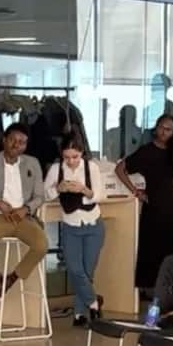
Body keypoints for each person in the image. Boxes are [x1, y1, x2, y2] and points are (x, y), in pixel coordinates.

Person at [0, 124, 47, 298]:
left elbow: (40, 196)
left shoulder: (32, 163)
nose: (16, 145)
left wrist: (26, 208)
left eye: (21, 142)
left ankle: (11, 279)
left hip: (23, 217)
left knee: (41, 246)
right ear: (4, 140)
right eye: (12, 140)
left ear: (25, 145)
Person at [116, 114, 173, 290]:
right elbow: (120, 169)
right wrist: (135, 191)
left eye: (168, 129)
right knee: (153, 249)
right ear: (156, 128)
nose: (163, 132)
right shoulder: (146, 151)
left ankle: (171, 288)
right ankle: (152, 290)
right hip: (154, 205)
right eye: (161, 127)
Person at [45, 139, 106, 326]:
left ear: (82, 154)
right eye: (67, 157)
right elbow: (44, 193)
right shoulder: (56, 169)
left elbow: (101, 195)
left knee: (87, 271)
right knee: (75, 269)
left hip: (93, 224)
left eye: (75, 157)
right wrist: (58, 189)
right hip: (70, 225)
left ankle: (79, 313)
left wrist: (84, 190)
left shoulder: (92, 168)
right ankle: (94, 302)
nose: (71, 161)